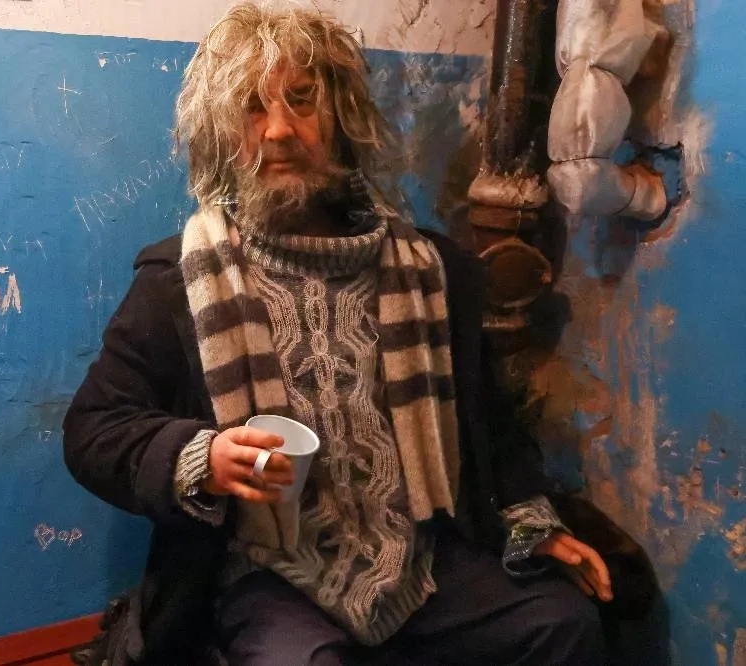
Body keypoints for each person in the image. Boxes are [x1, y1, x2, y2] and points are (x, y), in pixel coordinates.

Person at [63, 3, 613, 664]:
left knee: (562, 623)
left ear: (342, 116)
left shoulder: (431, 271)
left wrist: (529, 521)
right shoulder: (177, 284)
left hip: (417, 556)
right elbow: (94, 429)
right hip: (264, 570)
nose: (279, 131)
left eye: (302, 101)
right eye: (251, 108)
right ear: (220, 130)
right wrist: (200, 456)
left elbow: (488, 423)